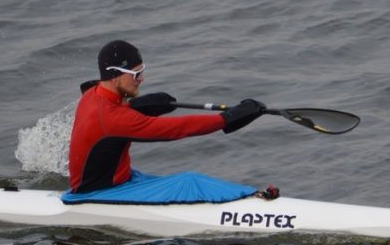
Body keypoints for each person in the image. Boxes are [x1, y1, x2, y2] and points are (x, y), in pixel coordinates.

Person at [68, 40, 266, 194]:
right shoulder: (113, 119)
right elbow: (177, 128)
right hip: (102, 193)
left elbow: (115, 113)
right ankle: (253, 197)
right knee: (190, 181)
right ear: (115, 75)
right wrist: (227, 118)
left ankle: (247, 194)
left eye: (142, 72)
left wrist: (139, 105)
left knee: (186, 182)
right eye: (135, 74)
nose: (141, 79)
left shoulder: (92, 93)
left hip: (120, 180)